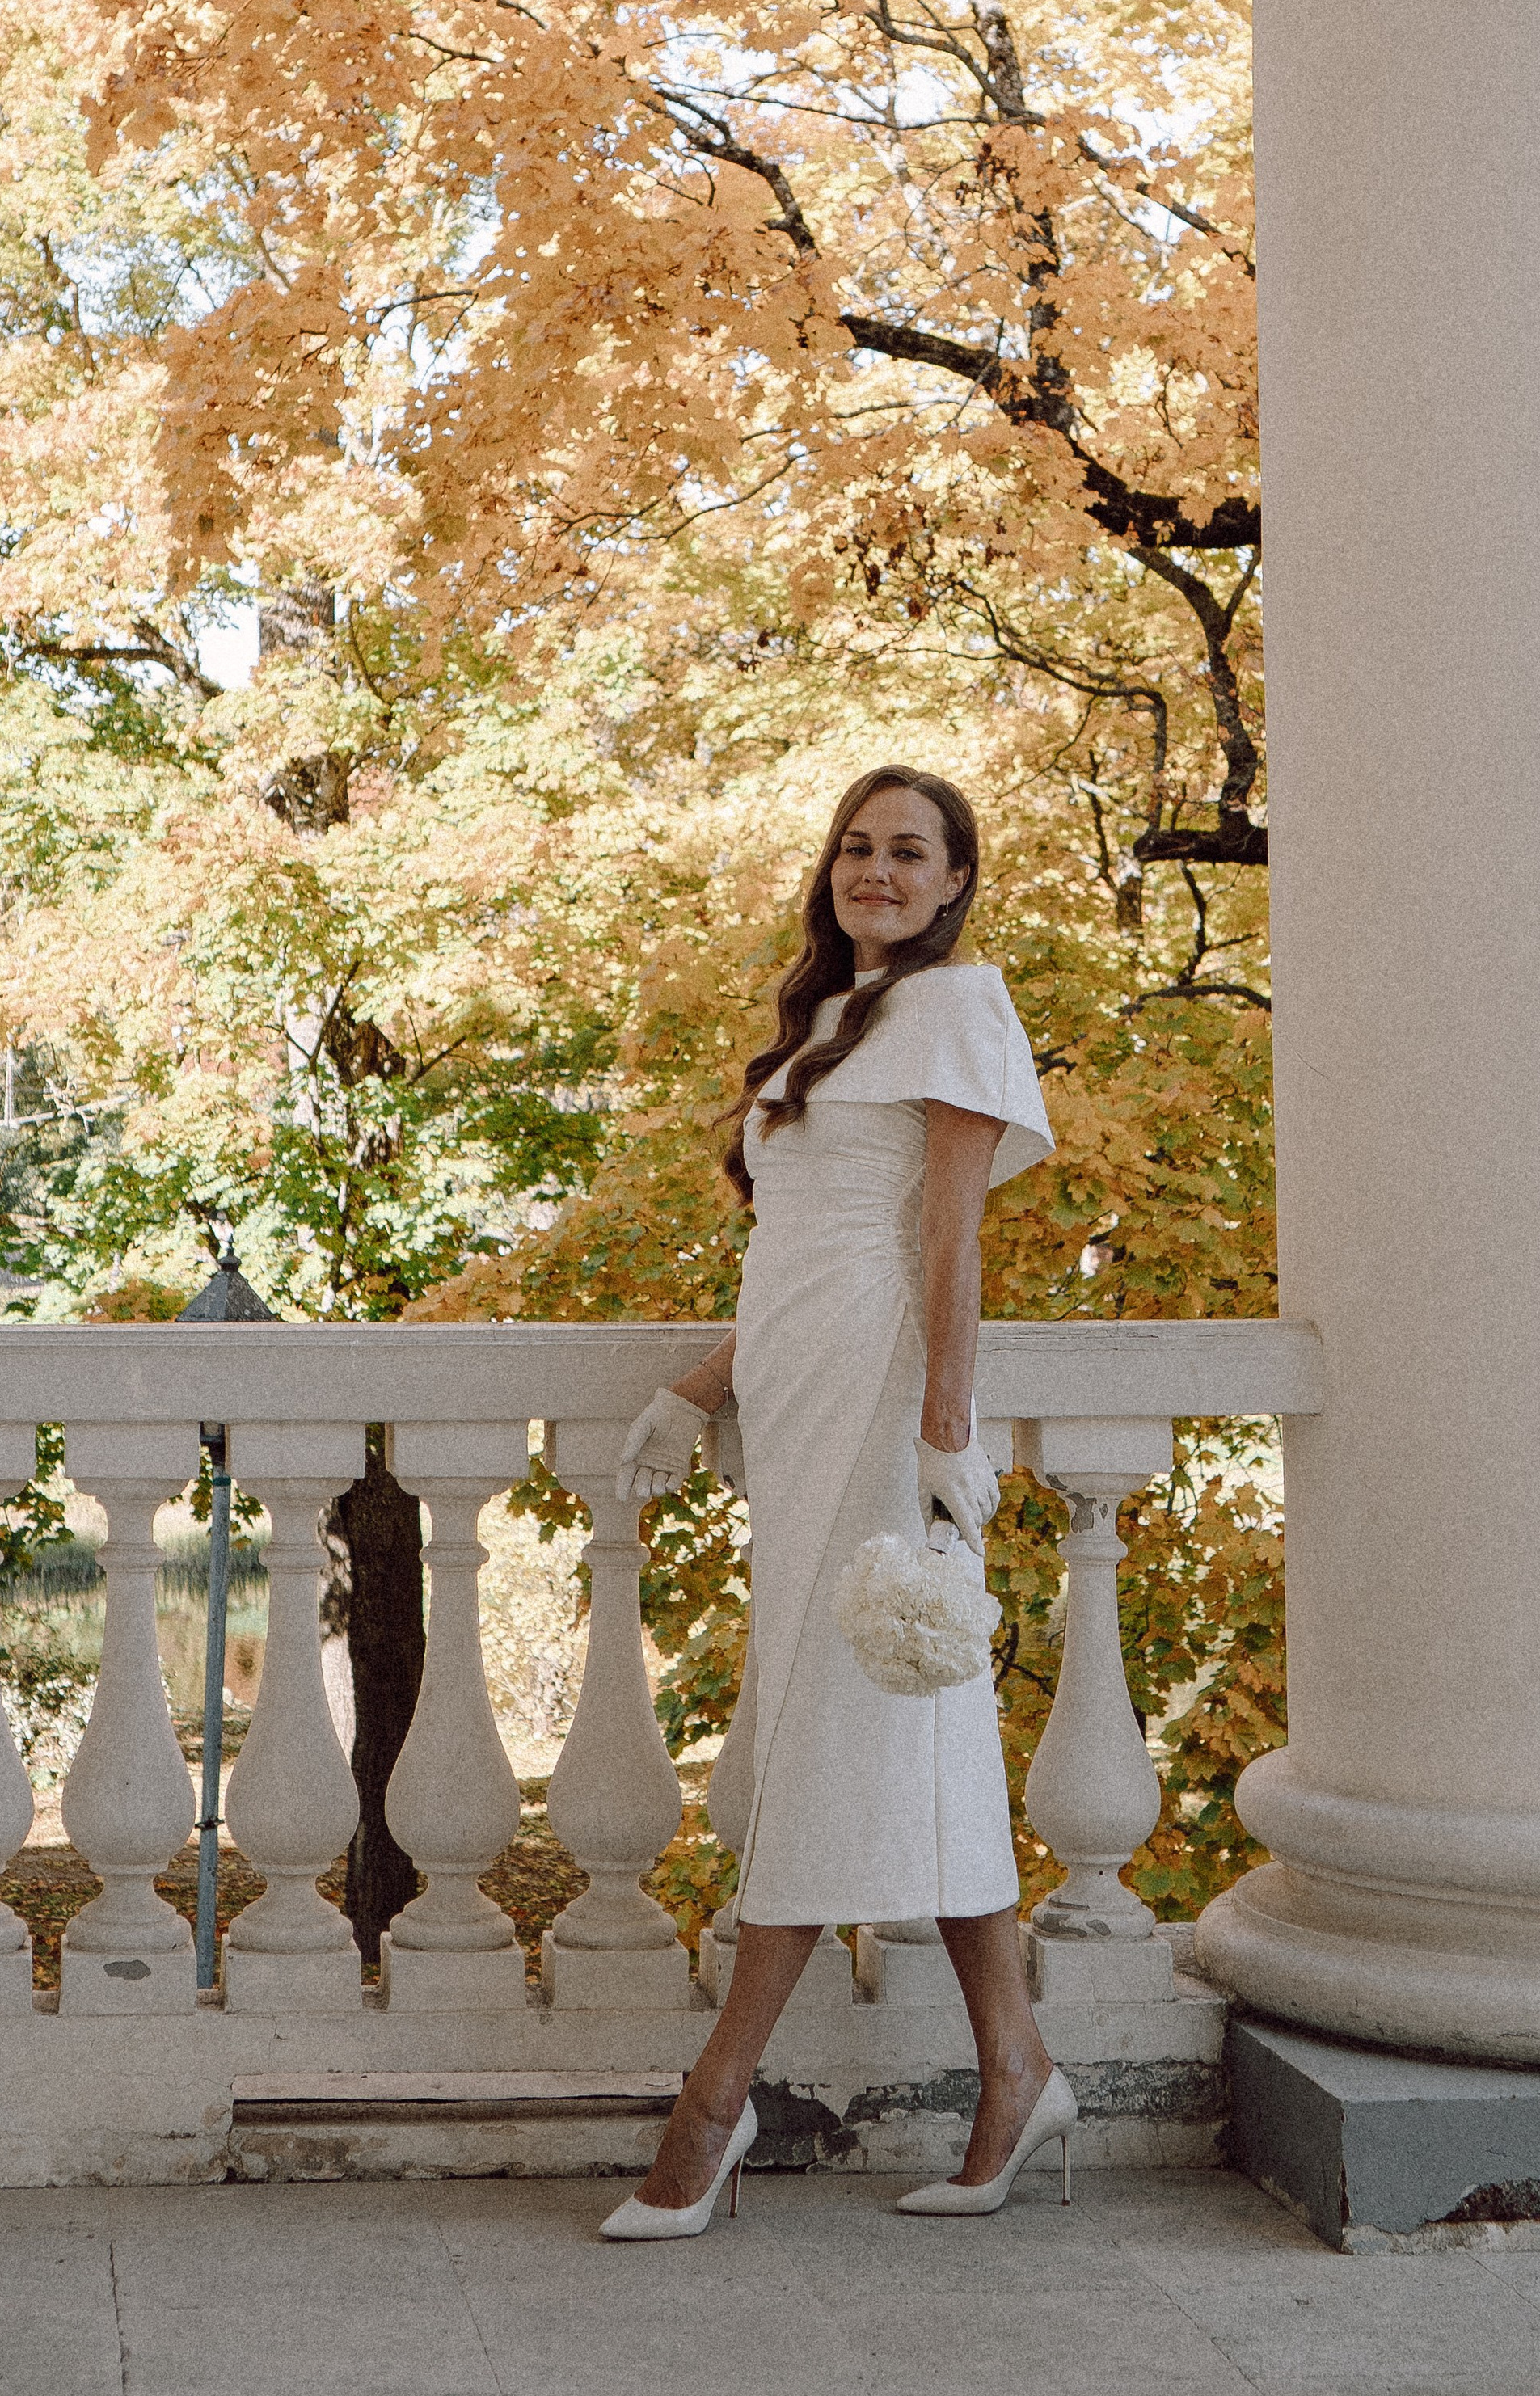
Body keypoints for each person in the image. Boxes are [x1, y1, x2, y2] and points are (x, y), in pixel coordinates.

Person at [599, 765, 1075, 2239]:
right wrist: (700, 1382)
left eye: (910, 853)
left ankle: (712, 2102)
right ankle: (1016, 2068)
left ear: (954, 885)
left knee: (831, 1725)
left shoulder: (956, 1006)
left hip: (884, 1405)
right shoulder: (818, 1025)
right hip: (799, 1408)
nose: (877, 871)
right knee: (903, 1734)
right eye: (857, 848)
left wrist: (943, 1429)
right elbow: (795, 1251)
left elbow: (943, 1240)